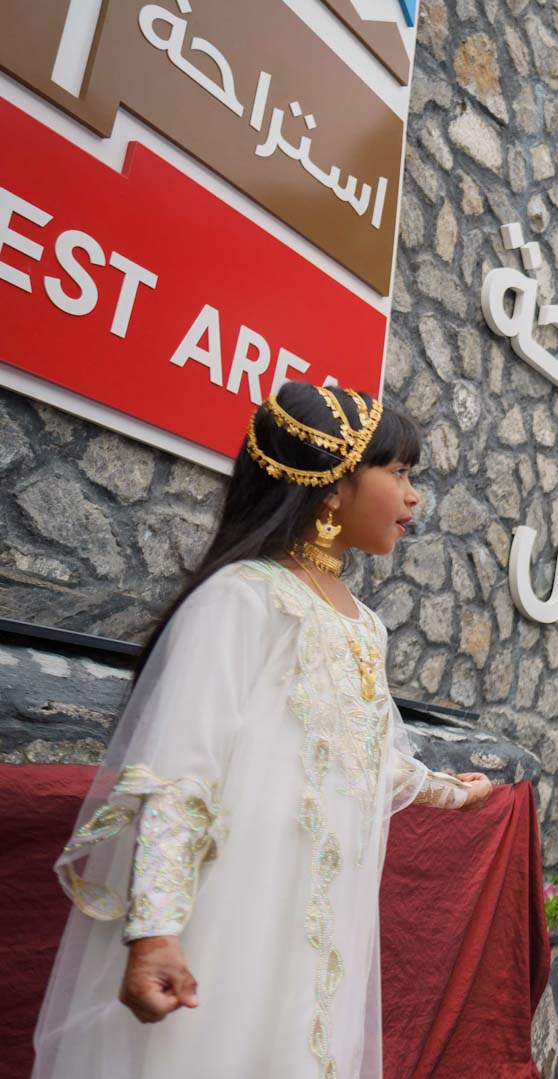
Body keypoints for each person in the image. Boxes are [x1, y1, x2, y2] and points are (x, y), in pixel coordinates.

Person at [33, 383, 493, 1079]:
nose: (413, 496)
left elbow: (367, 754)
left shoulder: (364, 625)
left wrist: (447, 790)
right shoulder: (242, 599)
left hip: (318, 917)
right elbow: (177, 772)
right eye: (398, 473)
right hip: (236, 906)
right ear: (333, 487)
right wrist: (155, 930)